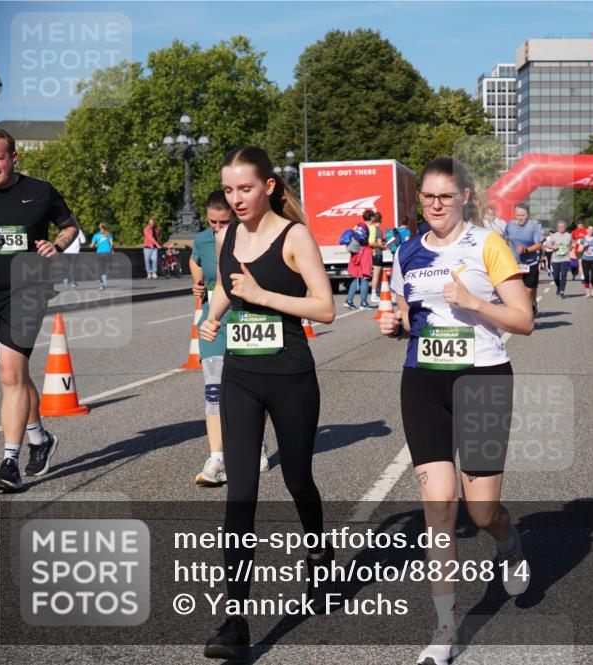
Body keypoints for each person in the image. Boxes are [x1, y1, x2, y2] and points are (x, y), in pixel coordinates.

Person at [381, 156, 533, 665]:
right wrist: (396, 325)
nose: (437, 206)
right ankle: (444, 631)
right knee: (440, 507)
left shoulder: (488, 243)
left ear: (466, 196)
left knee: (481, 510)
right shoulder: (407, 251)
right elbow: (408, 313)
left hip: (484, 380)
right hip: (423, 381)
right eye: (428, 197)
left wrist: (474, 302)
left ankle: (508, 543)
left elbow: (524, 318)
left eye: (446, 196)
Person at [199, 146, 336, 659]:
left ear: (269, 187)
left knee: (298, 479)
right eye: (229, 189)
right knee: (241, 497)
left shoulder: (294, 236)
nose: (236, 199)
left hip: (290, 377)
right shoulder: (227, 234)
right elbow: (223, 285)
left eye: (245, 189)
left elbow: (324, 308)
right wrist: (214, 315)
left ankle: (318, 559)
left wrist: (262, 294)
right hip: (240, 377)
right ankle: (234, 621)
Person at [0, 127, 80, 491]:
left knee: (10, 375)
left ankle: (10, 462)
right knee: (17, 377)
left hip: (27, 291)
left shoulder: (39, 191)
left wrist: (57, 244)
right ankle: (40, 438)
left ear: (13, 157)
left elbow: (70, 227)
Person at [190, 191, 269, 487]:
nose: (218, 228)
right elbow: (196, 262)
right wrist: (197, 285)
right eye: (213, 222)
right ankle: (218, 457)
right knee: (213, 389)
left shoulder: (255, 237)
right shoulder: (202, 240)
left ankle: (256, 443)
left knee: (253, 392)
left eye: (224, 222)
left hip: (249, 321)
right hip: (215, 321)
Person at [503, 202, 543, 318]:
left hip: (531, 262)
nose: (520, 217)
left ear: (528, 215)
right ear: (514, 215)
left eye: (523, 215)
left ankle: (531, 305)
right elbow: (505, 240)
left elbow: (539, 245)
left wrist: (526, 250)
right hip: (515, 263)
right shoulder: (510, 225)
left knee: (529, 291)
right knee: (516, 291)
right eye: (518, 215)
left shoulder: (534, 225)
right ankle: (524, 313)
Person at [344, 221, 372, 310]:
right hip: (364, 255)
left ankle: (349, 300)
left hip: (356, 256)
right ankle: (363, 303)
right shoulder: (370, 228)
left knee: (356, 279)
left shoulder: (356, 228)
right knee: (365, 279)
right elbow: (371, 242)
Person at [545, 221, 573, 298]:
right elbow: (547, 245)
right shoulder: (554, 236)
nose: (561, 228)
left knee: (564, 275)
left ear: (565, 227)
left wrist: (570, 247)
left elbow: (572, 244)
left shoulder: (569, 235)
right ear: (557, 228)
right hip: (555, 259)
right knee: (556, 277)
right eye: (559, 227)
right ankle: (559, 286)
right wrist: (553, 247)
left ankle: (562, 291)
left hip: (565, 258)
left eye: (562, 227)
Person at [368, 210, 386, 305]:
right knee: (376, 275)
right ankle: (374, 294)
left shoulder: (370, 228)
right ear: (380, 221)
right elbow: (379, 243)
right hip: (377, 254)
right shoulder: (378, 230)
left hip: (371, 253)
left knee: (378, 274)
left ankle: (377, 293)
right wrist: (384, 246)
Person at [89, 222, 114, 290]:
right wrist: (112, 250)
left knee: (100, 268)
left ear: (100, 227)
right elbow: (111, 244)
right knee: (107, 266)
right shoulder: (109, 234)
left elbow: (92, 246)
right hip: (108, 252)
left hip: (100, 253)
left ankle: (102, 284)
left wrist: (94, 245)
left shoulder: (96, 235)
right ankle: (105, 276)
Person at [579, 224, 593, 297]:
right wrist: (584, 246)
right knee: (586, 276)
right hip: (585, 259)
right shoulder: (583, 239)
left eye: (592, 230)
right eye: (590, 229)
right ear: (586, 230)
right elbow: (579, 251)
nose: (591, 231)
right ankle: (587, 291)